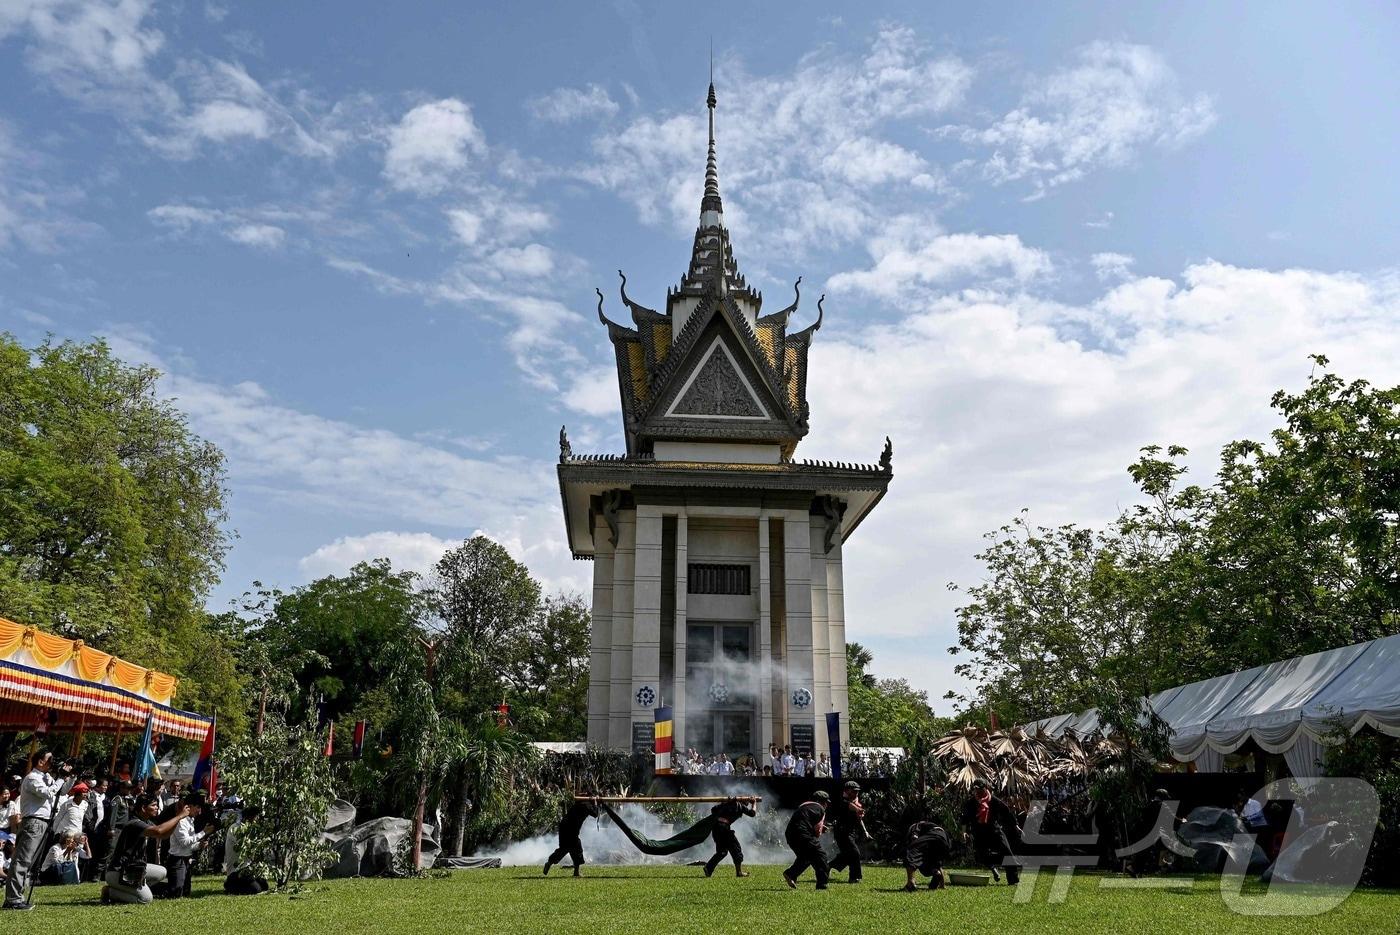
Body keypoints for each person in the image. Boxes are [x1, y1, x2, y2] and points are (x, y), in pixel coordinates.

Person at [102, 794, 193, 905]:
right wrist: (179, 816)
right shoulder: (134, 823)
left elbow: (163, 835)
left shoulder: (145, 822)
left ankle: (132, 889)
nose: (157, 808)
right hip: (119, 871)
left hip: (134, 869)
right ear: (143, 808)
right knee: (145, 899)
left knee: (162, 872)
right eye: (153, 805)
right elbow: (158, 831)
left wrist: (178, 818)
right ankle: (109, 892)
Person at [3, 749, 61, 911]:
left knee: (30, 861)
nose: (52, 763)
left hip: (43, 822)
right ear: (40, 762)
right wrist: (60, 779)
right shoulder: (32, 778)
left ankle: (18, 896)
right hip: (33, 821)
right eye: (50, 759)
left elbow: (60, 791)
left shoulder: (46, 778)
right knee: (22, 860)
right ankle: (12, 899)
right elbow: (46, 793)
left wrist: (69, 777)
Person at [960, 779, 1021, 885]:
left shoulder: (994, 800)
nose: (977, 791)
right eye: (975, 789)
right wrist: (964, 832)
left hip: (994, 831)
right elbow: (965, 818)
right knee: (981, 855)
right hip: (979, 832)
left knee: (1007, 853)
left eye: (980, 789)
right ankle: (993, 867)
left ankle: (1013, 880)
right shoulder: (971, 803)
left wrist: (1016, 826)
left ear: (985, 788)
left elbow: (1007, 813)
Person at [782, 790, 830, 890]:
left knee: (807, 857)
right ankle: (822, 885)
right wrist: (822, 830)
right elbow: (817, 831)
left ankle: (791, 874)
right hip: (803, 834)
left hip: (790, 835)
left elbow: (804, 820)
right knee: (821, 857)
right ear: (820, 801)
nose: (826, 805)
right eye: (825, 802)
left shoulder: (803, 806)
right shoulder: (820, 808)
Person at [543, 797, 600, 877]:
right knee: (577, 849)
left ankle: (549, 863)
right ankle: (576, 873)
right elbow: (595, 814)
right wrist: (595, 803)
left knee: (565, 848)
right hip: (571, 830)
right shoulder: (586, 805)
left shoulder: (579, 804)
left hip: (564, 828)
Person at [703, 796, 757, 878]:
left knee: (722, 852)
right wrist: (754, 803)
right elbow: (752, 813)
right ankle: (739, 872)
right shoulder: (739, 805)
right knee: (736, 848)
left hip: (716, 828)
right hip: (723, 828)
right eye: (747, 801)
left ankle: (708, 868)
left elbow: (713, 810)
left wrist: (726, 803)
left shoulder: (729, 804)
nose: (747, 803)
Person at [164, 799, 207, 898]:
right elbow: (184, 842)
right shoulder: (181, 822)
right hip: (177, 860)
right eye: (197, 807)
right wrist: (203, 832)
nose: (199, 811)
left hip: (186, 859)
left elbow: (188, 846)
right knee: (176, 893)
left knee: (185, 892)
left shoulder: (190, 821)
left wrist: (199, 845)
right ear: (189, 807)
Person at [223, 805, 268, 895]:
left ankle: (234, 885)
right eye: (256, 817)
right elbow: (244, 845)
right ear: (249, 817)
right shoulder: (235, 828)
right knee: (255, 889)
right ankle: (230, 886)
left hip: (248, 869)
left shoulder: (252, 829)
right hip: (236, 870)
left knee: (264, 886)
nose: (257, 819)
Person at [828, 780, 867, 884]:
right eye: (853, 791)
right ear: (847, 790)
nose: (856, 793)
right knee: (854, 853)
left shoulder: (855, 802)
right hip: (842, 832)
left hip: (851, 832)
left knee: (848, 855)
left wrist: (865, 831)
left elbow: (859, 818)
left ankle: (828, 866)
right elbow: (849, 806)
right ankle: (854, 877)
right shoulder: (841, 800)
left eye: (857, 791)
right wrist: (858, 809)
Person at [903, 820, 951, 892]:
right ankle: (936, 873)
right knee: (931, 862)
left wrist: (911, 850)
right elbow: (939, 863)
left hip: (934, 834)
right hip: (945, 840)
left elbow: (914, 839)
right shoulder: (930, 827)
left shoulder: (917, 825)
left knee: (911, 850)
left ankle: (910, 883)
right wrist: (942, 885)